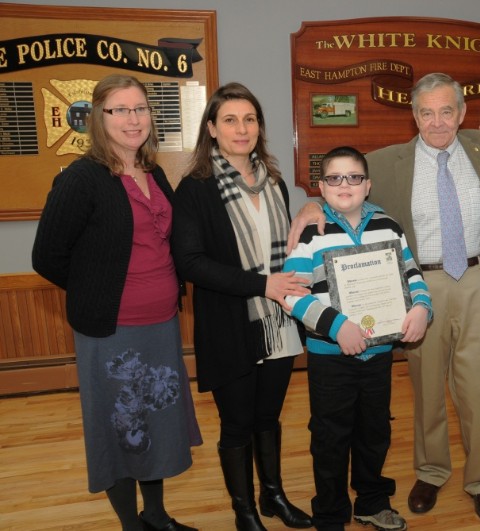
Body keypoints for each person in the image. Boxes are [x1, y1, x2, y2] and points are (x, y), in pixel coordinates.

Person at [289, 72, 480, 526]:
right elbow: (341, 185)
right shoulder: (386, 162)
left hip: (477, 276)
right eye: (426, 112)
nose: (437, 122)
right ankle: (431, 472)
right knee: (427, 387)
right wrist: (312, 204)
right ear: (413, 115)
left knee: (479, 388)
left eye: (446, 111)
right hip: (417, 286)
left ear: (462, 113)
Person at [32, 74, 201, 531]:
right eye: (120, 110)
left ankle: (158, 517)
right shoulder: (81, 179)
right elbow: (46, 257)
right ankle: (132, 526)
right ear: (98, 118)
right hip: (111, 332)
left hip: (161, 325)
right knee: (121, 426)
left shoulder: (155, 172)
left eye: (141, 109)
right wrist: (98, 291)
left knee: (156, 423)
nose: (133, 119)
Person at [170, 82, 313, 531]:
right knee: (236, 424)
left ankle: (273, 497)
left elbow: (289, 248)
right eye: (230, 120)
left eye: (249, 119)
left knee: (267, 417)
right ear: (211, 128)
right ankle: (244, 511)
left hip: (278, 323)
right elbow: (191, 263)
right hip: (229, 324)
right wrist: (262, 284)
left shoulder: (274, 182)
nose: (241, 128)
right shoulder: (194, 189)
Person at [283, 146, 431, 531]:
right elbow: (291, 295)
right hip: (329, 356)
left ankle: (371, 501)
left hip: (378, 354)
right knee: (330, 437)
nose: (344, 185)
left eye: (353, 178)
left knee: (375, 431)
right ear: (322, 186)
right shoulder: (309, 234)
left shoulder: (388, 225)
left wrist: (421, 308)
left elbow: (412, 274)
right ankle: (330, 513)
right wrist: (336, 326)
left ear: (368, 185)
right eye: (334, 178)